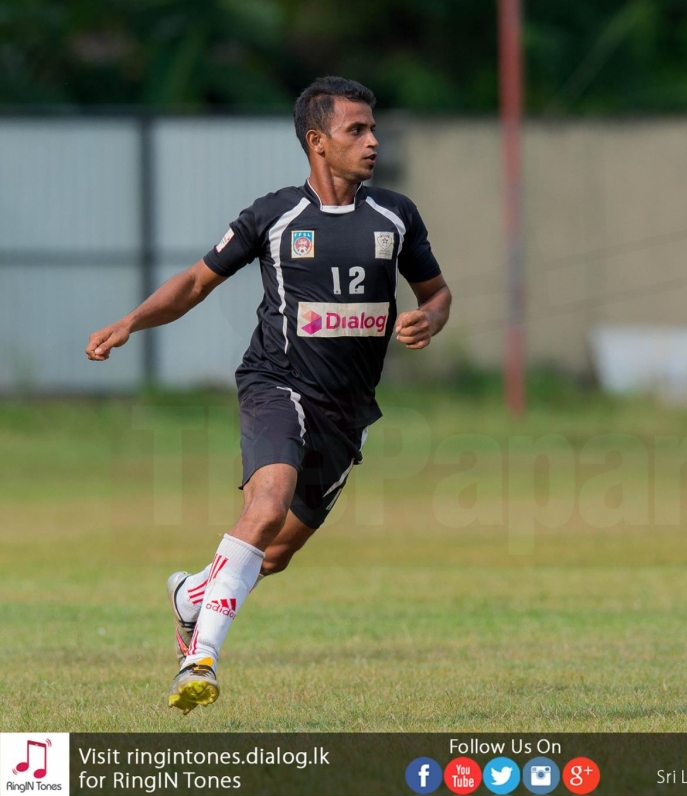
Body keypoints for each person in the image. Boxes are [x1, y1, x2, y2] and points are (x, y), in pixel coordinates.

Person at [84, 76, 451, 712]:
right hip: (276, 384)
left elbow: (436, 292)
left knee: (273, 554)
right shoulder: (273, 216)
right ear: (317, 141)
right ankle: (200, 657)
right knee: (266, 507)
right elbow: (195, 283)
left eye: (373, 129)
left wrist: (431, 318)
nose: (372, 141)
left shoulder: (396, 215)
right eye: (356, 130)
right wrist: (130, 323)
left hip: (347, 409)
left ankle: (190, 596)